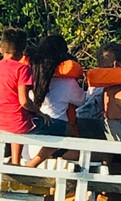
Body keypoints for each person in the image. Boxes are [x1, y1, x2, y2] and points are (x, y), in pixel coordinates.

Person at [24, 34, 85, 167]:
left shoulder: (30, 79)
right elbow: (81, 100)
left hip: (29, 147)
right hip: (55, 146)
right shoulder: (68, 82)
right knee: (103, 155)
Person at [0, 27, 42, 164]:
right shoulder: (22, 69)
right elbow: (24, 102)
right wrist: (39, 112)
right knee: (56, 128)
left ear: (0, 48)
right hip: (17, 125)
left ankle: (11, 161)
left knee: (14, 120)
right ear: (23, 51)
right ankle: (16, 162)